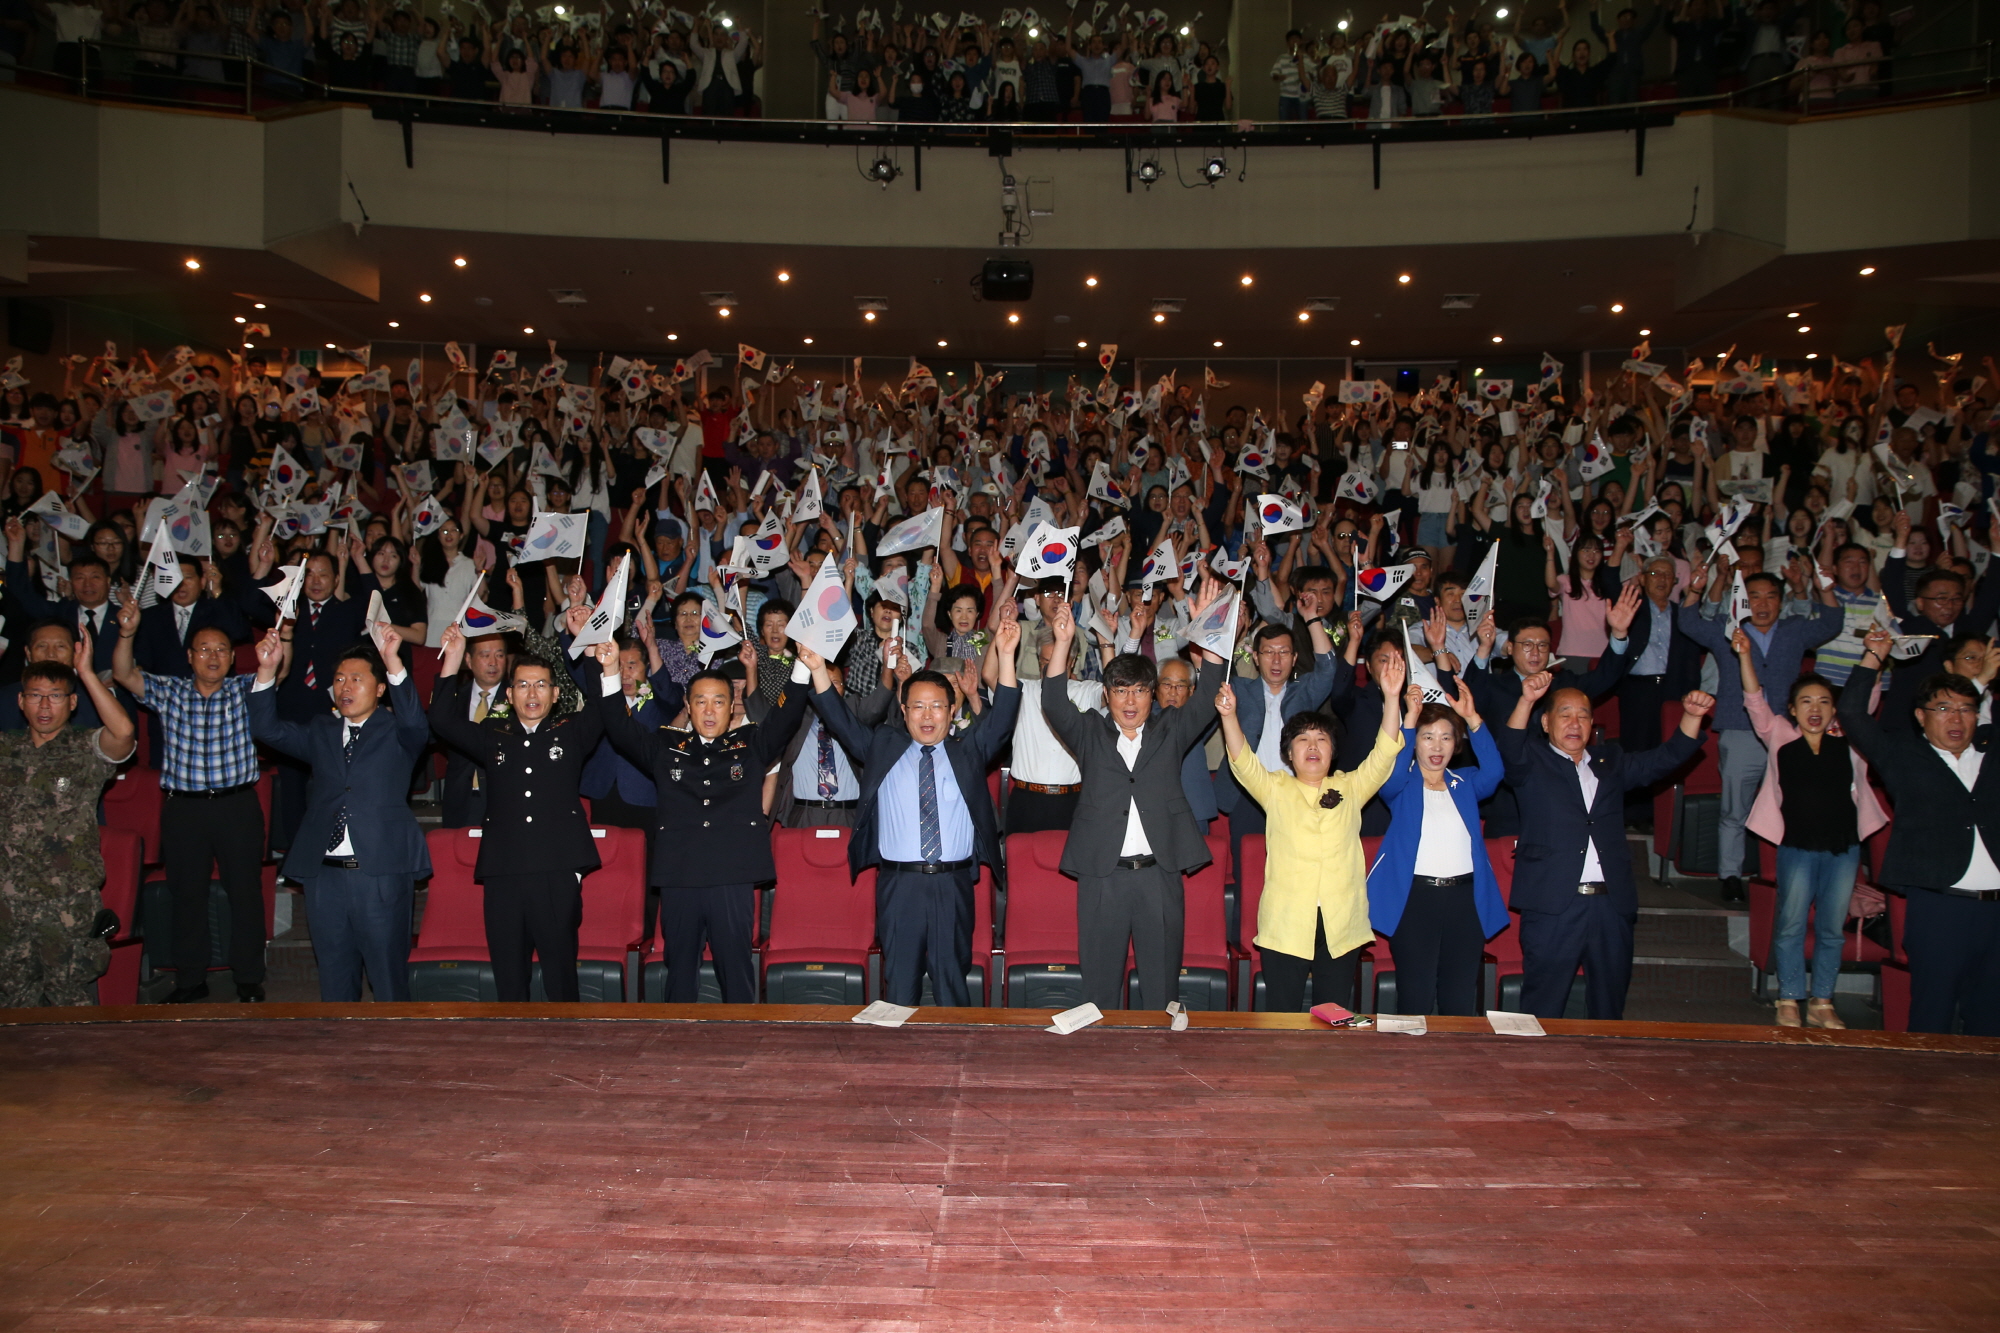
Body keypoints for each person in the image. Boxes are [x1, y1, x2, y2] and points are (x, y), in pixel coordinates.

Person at [802, 611, 1022, 1007]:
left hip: (952, 886)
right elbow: (840, 721)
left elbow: (1003, 721)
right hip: (899, 885)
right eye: (917, 706)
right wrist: (818, 668)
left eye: (936, 706)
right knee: (899, 987)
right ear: (903, 712)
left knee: (952, 985)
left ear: (952, 710)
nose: (926, 716)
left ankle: (959, 1064)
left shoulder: (968, 751)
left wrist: (1005, 656)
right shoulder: (884, 746)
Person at [589, 629, 809, 1005]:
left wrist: (804, 664)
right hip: (680, 877)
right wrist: (609, 671)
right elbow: (619, 728)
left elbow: (787, 716)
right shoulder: (665, 745)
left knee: (736, 975)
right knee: (680, 976)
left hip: (731, 878)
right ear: (688, 707)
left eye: (719, 702)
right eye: (701, 702)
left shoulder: (752, 744)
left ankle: (741, 1045)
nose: (709, 711)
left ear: (731, 706)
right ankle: (678, 1050)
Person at [1041, 581, 1224, 1013]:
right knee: (1100, 990)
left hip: (1158, 876)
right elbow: (1053, 702)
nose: (1129, 700)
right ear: (1106, 695)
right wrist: (1064, 642)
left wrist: (1209, 629)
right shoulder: (1089, 732)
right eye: (1120, 690)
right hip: (1102, 876)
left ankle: (1163, 1072)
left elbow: (1209, 698)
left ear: (1152, 695)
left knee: (1162, 992)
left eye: (1139, 690)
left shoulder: (1171, 730)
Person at [1497, 672, 1714, 1020]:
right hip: (1554, 906)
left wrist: (1691, 716)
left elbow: (1665, 759)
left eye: (1583, 714)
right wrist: (1526, 699)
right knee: (1542, 1006)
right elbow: (1509, 746)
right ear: (1546, 721)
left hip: (1610, 906)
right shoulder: (1531, 762)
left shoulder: (1609, 762)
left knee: (1609, 1007)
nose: (1574, 722)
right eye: (1565, 713)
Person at [248, 621, 431, 1003]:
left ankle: (396, 1052)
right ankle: (340, 1054)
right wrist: (267, 671)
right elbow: (266, 728)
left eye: (356, 679)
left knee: (387, 976)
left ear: (380, 689)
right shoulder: (321, 731)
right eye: (339, 679)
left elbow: (416, 720)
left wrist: (393, 662)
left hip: (379, 871)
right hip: (325, 875)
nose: (345, 687)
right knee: (333, 976)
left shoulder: (398, 731)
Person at [428, 622, 606, 1003]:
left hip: (556, 869)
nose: (532, 693)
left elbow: (603, 708)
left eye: (541, 684)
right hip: (504, 870)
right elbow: (441, 720)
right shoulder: (494, 736)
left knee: (560, 974)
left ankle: (566, 1050)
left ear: (556, 694)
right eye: (523, 684)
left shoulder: (570, 733)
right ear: (509, 694)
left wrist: (589, 647)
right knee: (509, 976)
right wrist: (453, 658)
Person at [1218, 653, 1406, 1013]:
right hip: (1287, 922)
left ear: (1333, 751)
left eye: (1322, 739)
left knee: (1333, 1017)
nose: (1313, 746)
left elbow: (1383, 755)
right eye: (1303, 740)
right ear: (1289, 753)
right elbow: (1243, 761)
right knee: (1282, 1015)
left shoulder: (1351, 787)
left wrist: (1393, 697)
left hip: (1341, 922)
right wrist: (1229, 716)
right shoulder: (1275, 788)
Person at [1838, 630, 2000, 1036]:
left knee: (1991, 1016)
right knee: (1933, 1011)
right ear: (1920, 716)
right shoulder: (1903, 757)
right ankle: (1924, 1096)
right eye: (1943, 708)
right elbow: (1854, 715)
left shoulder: (1992, 756)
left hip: (1996, 911)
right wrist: (1874, 656)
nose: (1956, 718)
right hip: (1941, 906)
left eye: (1966, 709)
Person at [111, 607, 269, 1004]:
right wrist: (127, 633)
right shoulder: (170, 691)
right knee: (187, 896)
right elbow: (124, 674)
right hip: (184, 810)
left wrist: (280, 644)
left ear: (233, 658)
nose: (213, 657)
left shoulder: (246, 689)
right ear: (189, 656)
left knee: (245, 894)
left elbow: (276, 673)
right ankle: (191, 979)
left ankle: (249, 977)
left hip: (236, 806)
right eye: (203, 649)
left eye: (221, 650)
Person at [1735, 632, 1885, 1029]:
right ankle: (1788, 999)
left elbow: (1866, 699)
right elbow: (1754, 701)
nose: (1815, 709)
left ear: (1835, 709)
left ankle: (1822, 1001)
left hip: (1843, 849)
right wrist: (1745, 655)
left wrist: (1876, 656)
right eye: (1806, 702)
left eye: (1823, 702)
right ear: (1793, 709)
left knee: (1832, 930)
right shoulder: (1781, 737)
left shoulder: (1851, 742)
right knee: (1791, 924)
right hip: (1797, 848)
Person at [1679, 566, 1845, 899]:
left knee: (1793, 806)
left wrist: (1825, 587)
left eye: (1771, 595)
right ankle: (1729, 875)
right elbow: (1688, 623)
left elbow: (1831, 623)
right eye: (1754, 596)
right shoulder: (1727, 631)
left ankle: (1787, 874)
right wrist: (1696, 589)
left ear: (1781, 601)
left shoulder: (1794, 630)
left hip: (1788, 733)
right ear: (1742, 600)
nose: (1763, 603)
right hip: (1740, 729)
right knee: (1734, 808)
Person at [0, 633, 136, 1007]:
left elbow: (123, 734)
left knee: (71, 1005)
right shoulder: (5, 749)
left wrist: (86, 672)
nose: (45, 705)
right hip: (8, 905)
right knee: (12, 1007)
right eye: (35, 695)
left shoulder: (84, 749)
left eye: (56, 696)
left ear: (72, 702)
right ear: (20, 701)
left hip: (67, 906)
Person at [1367, 683, 1510, 1017]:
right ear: (1415, 742)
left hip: (1465, 900)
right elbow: (1390, 776)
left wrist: (1473, 719)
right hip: (1415, 900)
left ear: (1456, 744)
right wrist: (1410, 721)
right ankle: (1410, 1067)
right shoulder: (1401, 784)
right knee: (1415, 997)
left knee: (1459, 999)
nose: (1437, 745)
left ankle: (1455, 1068)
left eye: (1446, 737)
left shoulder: (1466, 783)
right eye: (1428, 736)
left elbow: (1495, 772)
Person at [1005, 621, 1102, 834]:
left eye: (1058, 661)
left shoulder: (1087, 691)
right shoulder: (1024, 690)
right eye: (1045, 662)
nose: (1051, 669)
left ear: (1072, 661)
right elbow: (990, 677)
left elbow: (1115, 693)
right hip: (1026, 800)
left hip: (1073, 801)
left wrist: (1106, 643)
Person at [435, 632, 511, 830]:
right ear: (468, 660)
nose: (493, 662)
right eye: (485, 655)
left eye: (500, 655)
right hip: (460, 800)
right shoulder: (453, 700)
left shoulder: (518, 699)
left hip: (502, 801)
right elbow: (436, 721)